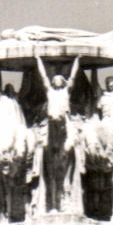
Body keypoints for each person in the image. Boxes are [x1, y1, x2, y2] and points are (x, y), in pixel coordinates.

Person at [37, 53, 82, 212]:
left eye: (59, 79)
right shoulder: (50, 92)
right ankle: (35, 169)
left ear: (63, 82)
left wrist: (77, 60)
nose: (56, 80)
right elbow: (43, 78)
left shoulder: (66, 92)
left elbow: (74, 76)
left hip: (65, 122)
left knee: (76, 141)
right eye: (54, 79)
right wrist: (38, 60)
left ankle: (81, 162)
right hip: (51, 124)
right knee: (41, 144)